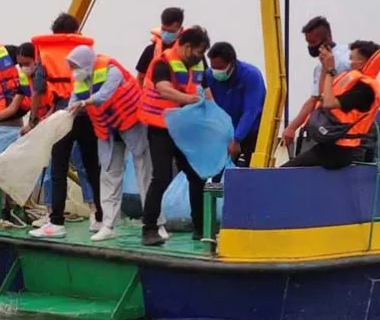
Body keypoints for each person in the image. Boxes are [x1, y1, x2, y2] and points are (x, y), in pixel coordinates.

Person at [64, 45, 168, 241]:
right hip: (108, 131)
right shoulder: (80, 81)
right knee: (109, 174)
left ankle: (157, 223)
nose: (73, 71)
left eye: (75, 66)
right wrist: (67, 111)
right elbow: (74, 99)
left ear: (86, 62)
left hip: (131, 124)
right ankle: (108, 225)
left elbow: (105, 94)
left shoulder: (112, 71)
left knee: (145, 175)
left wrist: (84, 104)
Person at [28, 13, 104, 239]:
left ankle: (56, 221)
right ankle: (98, 217)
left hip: (62, 115)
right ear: (75, 30)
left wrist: (33, 119)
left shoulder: (46, 53)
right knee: (91, 166)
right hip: (87, 112)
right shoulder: (87, 52)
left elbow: (38, 89)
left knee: (57, 168)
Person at [138, 25, 211, 246]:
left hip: (184, 129)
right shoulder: (162, 63)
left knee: (196, 175)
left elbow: (206, 92)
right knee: (161, 176)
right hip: (161, 128)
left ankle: (201, 228)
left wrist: (214, 118)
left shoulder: (198, 63)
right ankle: (149, 228)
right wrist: (188, 100)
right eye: (199, 51)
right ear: (187, 47)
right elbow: (163, 89)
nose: (201, 56)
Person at [282, 40, 380, 169]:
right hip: (332, 144)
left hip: (343, 150)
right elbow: (323, 96)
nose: (349, 63)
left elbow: (329, 103)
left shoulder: (365, 89)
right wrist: (325, 68)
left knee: (289, 170)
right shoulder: (352, 81)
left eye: (352, 59)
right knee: (293, 166)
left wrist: (331, 70)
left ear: (363, 63)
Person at [281, 16, 351, 147]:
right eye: (308, 43)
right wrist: (292, 127)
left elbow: (317, 99)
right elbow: (313, 99)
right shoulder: (348, 52)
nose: (310, 47)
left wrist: (292, 128)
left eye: (313, 42)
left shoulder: (339, 62)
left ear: (327, 39)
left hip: (346, 128)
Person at [206, 42, 267, 167]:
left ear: (232, 63)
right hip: (223, 133)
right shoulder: (208, 76)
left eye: (220, 67)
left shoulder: (251, 75)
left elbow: (251, 111)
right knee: (216, 174)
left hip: (251, 132)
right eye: (213, 67)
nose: (216, 71)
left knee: (252, 172)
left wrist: (237, 138)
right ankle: (216, 186)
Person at [0, 42, 54, 128]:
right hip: (41, 122)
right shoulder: (24, 80)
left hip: (53, 118)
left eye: (27, 63)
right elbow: (12, 108)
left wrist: (34, 123)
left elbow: (57, 105)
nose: (23, 68)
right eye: (20, 65)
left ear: (36, 59)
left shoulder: (48, 76)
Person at [135, 7, 185, 87]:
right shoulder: (150, 50)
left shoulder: (189, 51)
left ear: (181, 30)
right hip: (152, 97)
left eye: (171, 32)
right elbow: (140, 77)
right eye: (164, 30)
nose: (166, 34)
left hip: (182, 96)